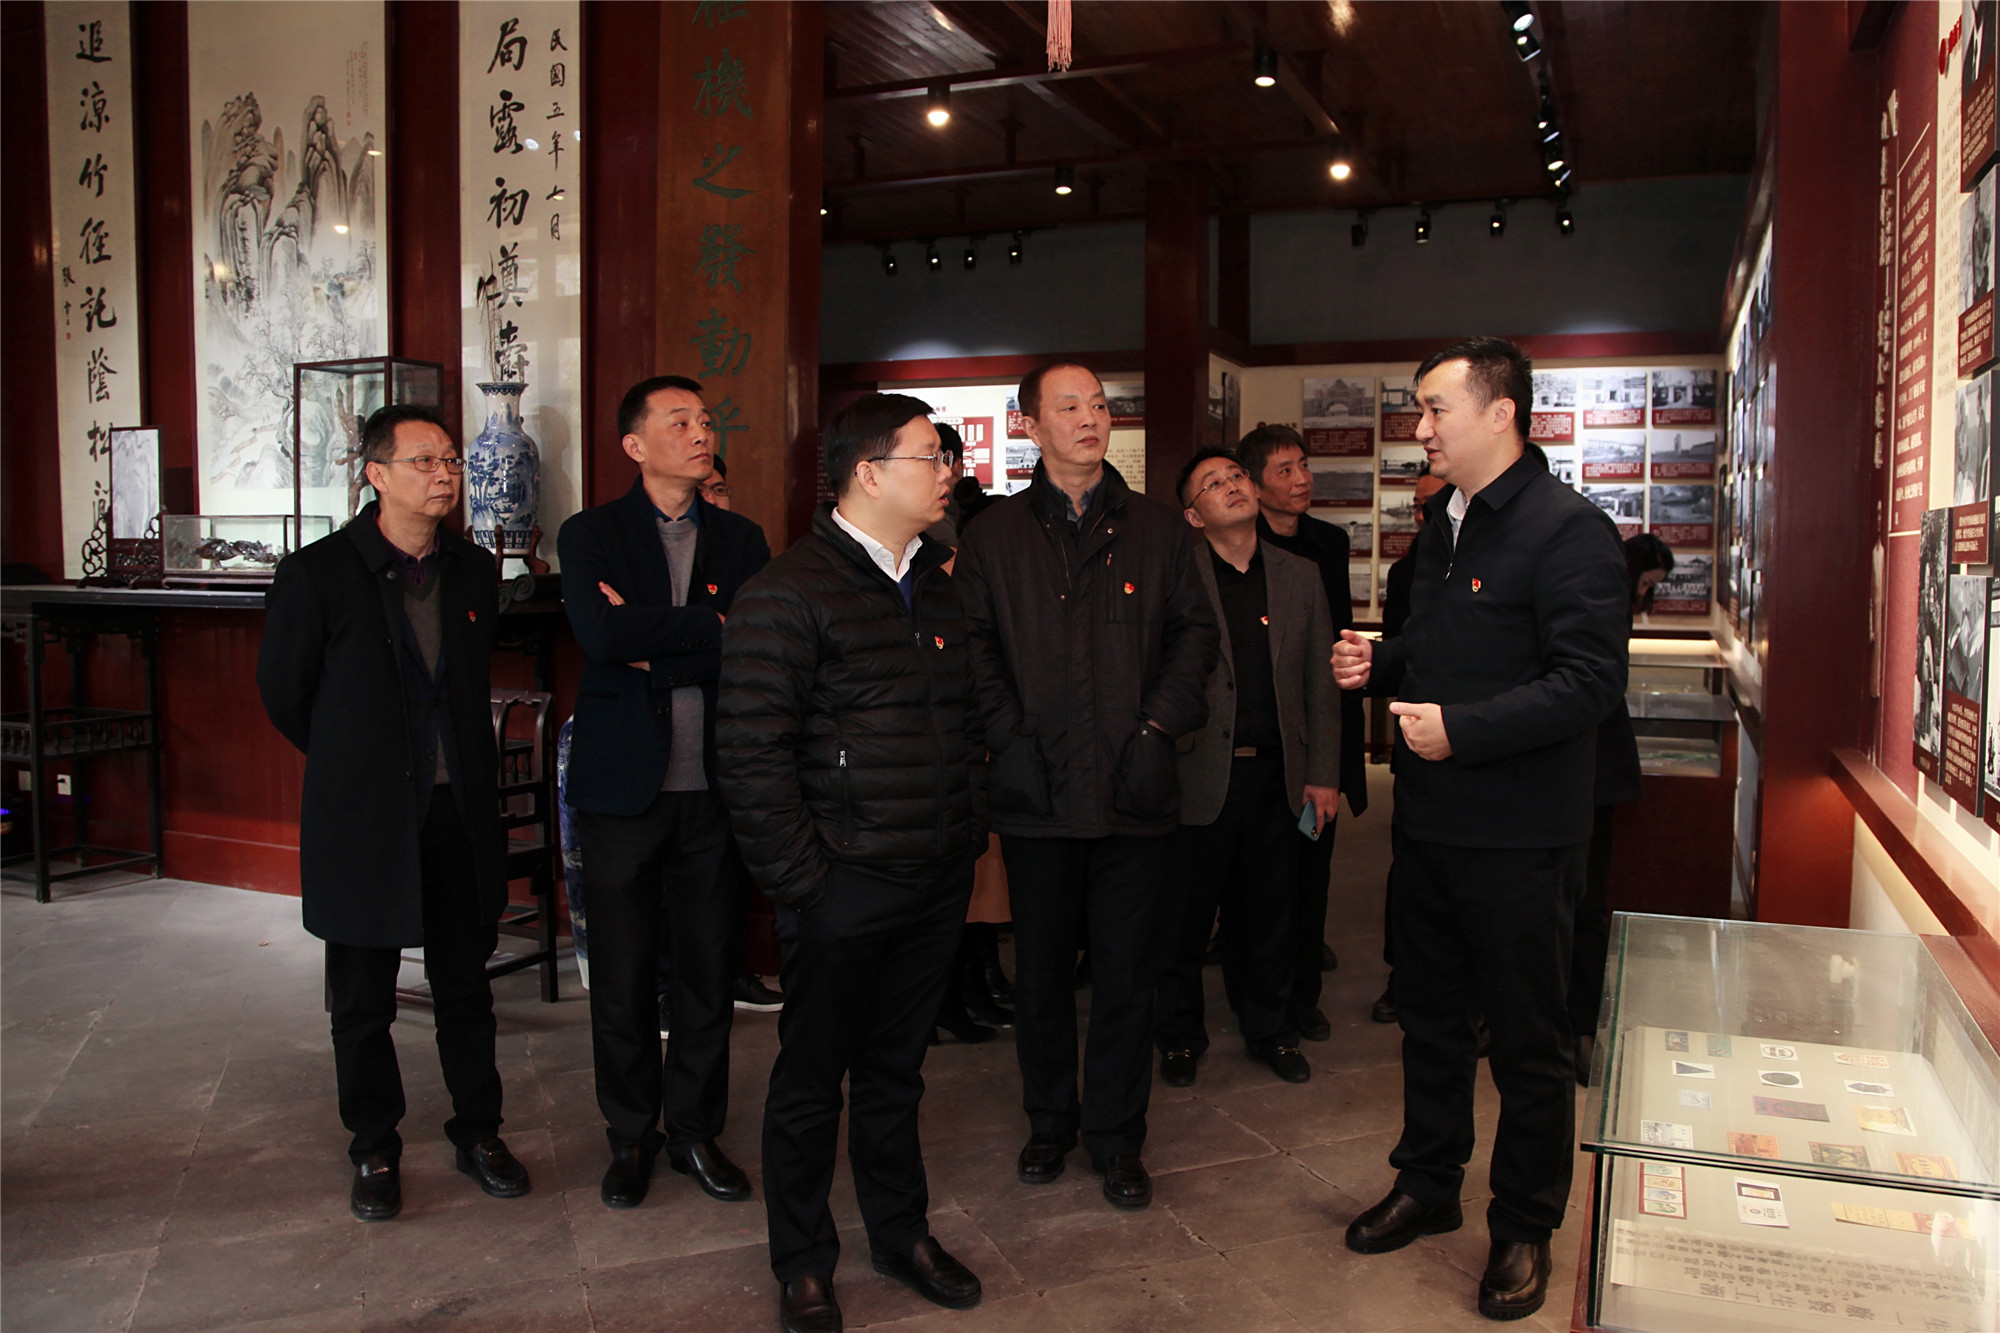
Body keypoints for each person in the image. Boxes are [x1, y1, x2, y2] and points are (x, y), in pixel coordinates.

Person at [1332, 338, 1628, 1322]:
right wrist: (1379, 664)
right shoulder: (1444, 527)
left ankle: (1523, 1224)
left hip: (1521, 839)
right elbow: (1435, 645)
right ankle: (1427, 1182)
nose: (1419, 428)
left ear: (1500, 413)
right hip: (1429, 829)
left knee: (1528, 1046)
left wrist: (1460, 729)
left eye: (1434, 409)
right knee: (1429, 1023)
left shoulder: (1568, 531)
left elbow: (1587, 682)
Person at [718, 393, 987, 1333]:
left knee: (896, 1071)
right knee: (809, 1081)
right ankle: (802, 1261)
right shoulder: (788, 591)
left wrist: (967, 828)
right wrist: (807, 886)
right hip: (841, 882)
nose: (947, 470)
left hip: (935, 873)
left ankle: (901, 1233)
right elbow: (749, 756)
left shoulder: (940, 584)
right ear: (868, 473)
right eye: (930, 455)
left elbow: (969, 720)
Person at [955, 362, 1219, 1211]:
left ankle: (1117, 1135)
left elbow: (1194, 639)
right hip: (1036, 792)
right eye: (1068, 406)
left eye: (1100, 404)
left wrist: (1156, 731)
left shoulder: (1158, 529)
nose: (1089, 418)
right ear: (1031, 426)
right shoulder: (994, 535)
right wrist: (1010, 741)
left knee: (1126, 975)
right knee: (1039, 976)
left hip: (1135, 790)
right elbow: (975, 653)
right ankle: (1049, 1121)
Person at [257, 403, 530, 1222]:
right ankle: (374, 1145)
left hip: (457, 811)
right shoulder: (318, 573)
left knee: (464, 987)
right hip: (364, 816)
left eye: (450, 459)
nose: (445, 474)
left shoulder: (473, 571)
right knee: (363, 998)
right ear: (376, 474)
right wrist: (358, 762)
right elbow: (285, 693)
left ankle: (480, 1131)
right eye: (424, 461)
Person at [557, 374, 771, 1211]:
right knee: (622, 973)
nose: (700, 432)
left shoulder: (741, 538)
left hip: (713, 787)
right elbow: (601, 634)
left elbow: (751, 646)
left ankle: (694, 1130)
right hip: (623, 787)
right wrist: (703, 629)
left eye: (705, 419)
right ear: (635, 445)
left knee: (708, 971)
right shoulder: (592, 533)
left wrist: (657, 642)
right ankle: (630, 1133)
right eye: (679, 421)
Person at [1155, 449, 1339, 1088]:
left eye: (1236, 476)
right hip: (1197, 775)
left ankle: (1272, 1032)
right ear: (1193, 515)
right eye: (1213, 483)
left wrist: (1324, 773)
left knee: (1271, 915)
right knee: (1183, 919)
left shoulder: (1299, 575)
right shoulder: (1176, 577)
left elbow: (1320, 682)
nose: (1231, 486)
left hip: (1278, 777)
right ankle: (1179, 1037)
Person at [1240, 424, 1368, 1041]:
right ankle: (1257, 996)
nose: (1302, 480)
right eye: (1285, 470)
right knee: (1260, 882)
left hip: (1321, 729)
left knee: (1312, 869)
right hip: (1264, 737)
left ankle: (1303, 995)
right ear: (1254, 483)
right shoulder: (1241, 545)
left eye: (1304, 466)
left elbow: (1333, 643)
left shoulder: (1328, 544)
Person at [1570, 534, 1673, 1084]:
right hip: (1567, 777)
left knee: (1587, 906)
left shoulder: (1600, 612)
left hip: (1594, 773)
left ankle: (1580, 1027)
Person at [1371, 465, 1448, 1025]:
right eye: (1419, 505)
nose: (1424, 515)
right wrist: (1373, 663)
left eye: (1433, 504)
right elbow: (1404, 653)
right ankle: (1405, 979)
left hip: (1480, 744)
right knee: (1413, 873)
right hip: (1419, 745)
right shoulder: (1409, 571)